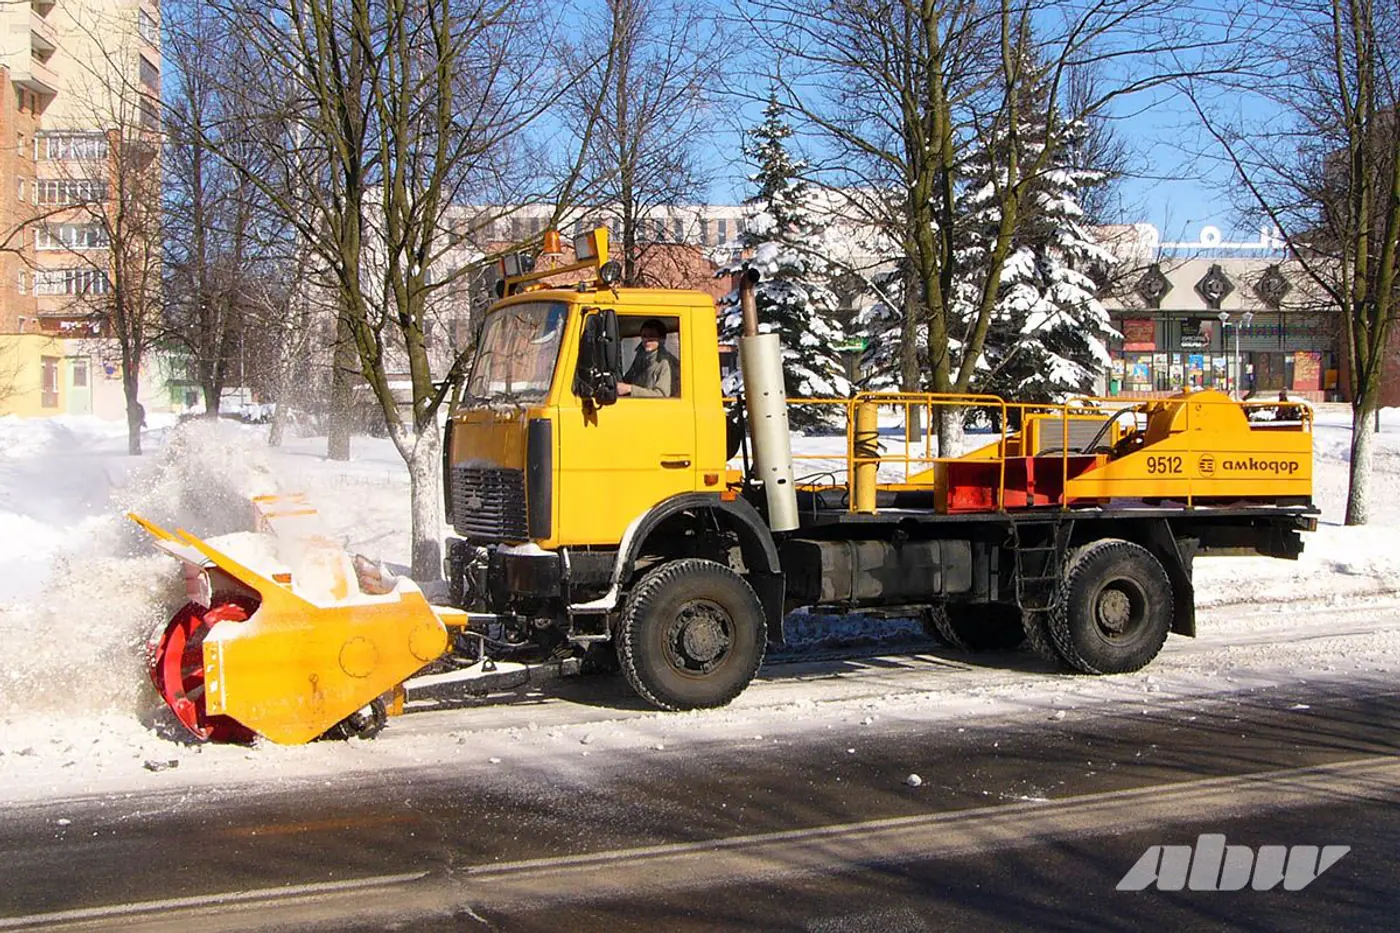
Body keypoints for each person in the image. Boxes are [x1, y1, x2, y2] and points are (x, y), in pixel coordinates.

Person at [617, 319, 678, 398]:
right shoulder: (641, 358)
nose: (647, 340)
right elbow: (627, 380)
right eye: (644, 336)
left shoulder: (665, 363)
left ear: (661, 339)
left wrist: (630, 389)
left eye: (652, 336)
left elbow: (661, 395)